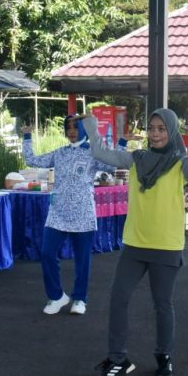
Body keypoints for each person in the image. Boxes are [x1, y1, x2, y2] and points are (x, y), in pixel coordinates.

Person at [82, 108, 188, 376]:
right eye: (151, 128)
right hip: (134, 243)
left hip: (166, 245)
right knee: (118, 298)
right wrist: (91, 123)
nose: (155, 134)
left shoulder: (182, 164)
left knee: (162, 304)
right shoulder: (136, 159)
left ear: (172, 131)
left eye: (161, 129)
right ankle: (118, 358)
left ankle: (164, 355)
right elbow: (100, 152)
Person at [22, 115, 115, 316]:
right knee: (47, 253)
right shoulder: (60, 153)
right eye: (68, 127)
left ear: (84, 129)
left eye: (76, 127)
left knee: (82, 259)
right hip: (58, 212)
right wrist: (27, 137)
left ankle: (80, 299)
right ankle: (56, 296)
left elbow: (113, 165)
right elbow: (32, 160)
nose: (71, 131)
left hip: (83, 212)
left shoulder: (93, 152)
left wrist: (122, 142)